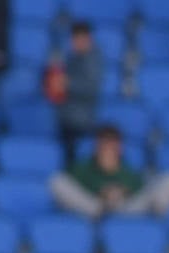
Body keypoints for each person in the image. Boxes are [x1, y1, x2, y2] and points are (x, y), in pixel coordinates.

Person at [49, 124, 169, 219]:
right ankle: (99, 212)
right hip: (95, 208)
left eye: (112, 144)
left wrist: (122, 191)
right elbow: (70, 188)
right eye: (104, 143)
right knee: (56, 181)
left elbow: (138, 189)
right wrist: (102, 192)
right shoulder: (83, 167)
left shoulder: (127, 169)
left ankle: (156, 219)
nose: (108, 148)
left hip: (127, 210)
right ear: (97, 146)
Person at [50, 20, 103, 166]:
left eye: (81, 38)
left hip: (82, 120)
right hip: (66, 117)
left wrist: (67, 83)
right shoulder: (71, 57)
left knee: (76, 160)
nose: (77, 42)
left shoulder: (93, 59)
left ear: (88, 38)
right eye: (75, 38)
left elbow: (91, 88)